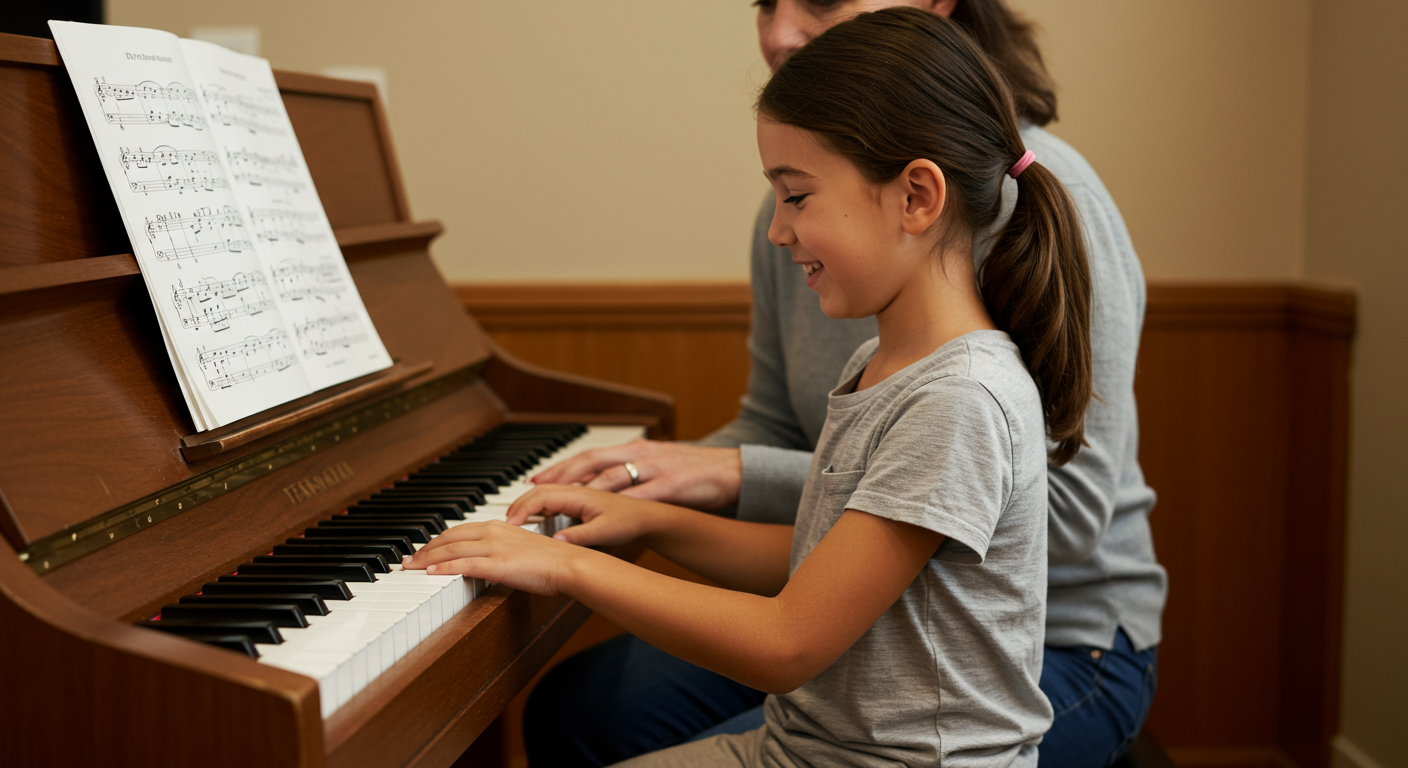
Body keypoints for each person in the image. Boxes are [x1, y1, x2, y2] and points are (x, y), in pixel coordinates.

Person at [408, 8, 1095, 765]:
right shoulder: (878, 363)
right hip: (804, 745)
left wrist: (567, 564)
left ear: (917, 197)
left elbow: (787, 642)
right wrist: (647, 523)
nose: (776, 229)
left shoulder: (958, 400)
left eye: (796, 196)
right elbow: (815, 563)